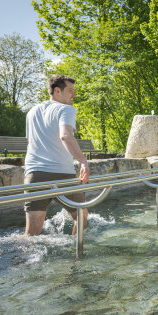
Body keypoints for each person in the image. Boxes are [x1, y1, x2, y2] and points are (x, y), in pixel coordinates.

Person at [23, 75, 90, 236]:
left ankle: (21, 260)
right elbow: (66, 135)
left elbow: (30, 140)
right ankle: (74, 252)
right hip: (62, 175)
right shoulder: (66, 109)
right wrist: (83, 162)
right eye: (70, 91)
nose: (74, 95)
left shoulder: (32, 112)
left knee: (31, 234)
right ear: (57, 91)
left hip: (34, 175)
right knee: (82, 218)